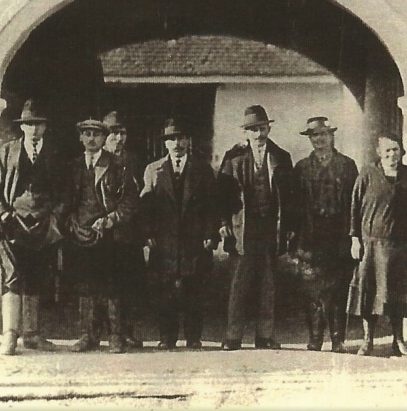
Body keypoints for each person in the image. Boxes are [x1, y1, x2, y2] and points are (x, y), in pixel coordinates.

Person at [0, 98, 65, 355]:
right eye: (29, 124)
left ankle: (32, 334)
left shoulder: (55, 153)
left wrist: (54, 217)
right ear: (22, 127)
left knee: (37, 278)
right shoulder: (8, 151)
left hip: (43, 225)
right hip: (13, 224)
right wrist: (2, 214)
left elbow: (66, 191)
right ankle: (9, 335)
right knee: (12, 278)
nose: (34, 129)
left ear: (45, 127)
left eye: (38, 124)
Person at [217, 105, 295, 351]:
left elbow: (291, 197)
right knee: (239, 285)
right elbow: (221, 195)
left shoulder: (281, 157)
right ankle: (233, 336)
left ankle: (264, 335)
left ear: (269, 128)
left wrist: (290, 226)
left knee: (268, 284)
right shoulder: (234, 158)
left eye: (262, 128)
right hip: (243, 231)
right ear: (246, 133)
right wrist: (223, 224)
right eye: (253, 130)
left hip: (270, 229)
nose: (258, 134)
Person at [139, 119, 220, 350]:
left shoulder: (202, 169)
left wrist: (210, 235)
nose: (177, 143)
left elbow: (212, 207)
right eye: (172, 139)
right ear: (165, 143)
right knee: (165, 292)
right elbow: (146, 206)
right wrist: (148, 233)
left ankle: (194, 337)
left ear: (189, 141)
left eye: (182, 138)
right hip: (164, 241)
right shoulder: (153, 170)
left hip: (194, 240)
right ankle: (167, 337)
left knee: (193, 289)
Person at [62, 117, 139, 353]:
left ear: (104, 138)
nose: (91, 138)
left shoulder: (117, 165)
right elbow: (64, 202)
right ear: (80, 138)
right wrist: (70, 223)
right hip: (80, 235)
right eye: (87, 134)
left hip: (109, 236)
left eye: (96, 134)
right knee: (85, 287)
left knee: (111, 286)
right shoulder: (72, 167)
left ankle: (115, 336)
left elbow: (129, 201)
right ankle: (87, 335)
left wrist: (110, 220)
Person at [348, 133, 407, 358]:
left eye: (396, 150)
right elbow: (354, 206)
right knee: (370, 295)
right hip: (372, 245)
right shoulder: (368, 174)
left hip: (400, 246)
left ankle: (398, 340)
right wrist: (354, 238)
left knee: (398, 296)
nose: (392, 155)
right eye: (387, 151)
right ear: (379, 152)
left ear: (402, 152)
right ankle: (367, 340)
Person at [291, 116, 358, 352]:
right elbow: (293, 207)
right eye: (313, 136)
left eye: (322, 134)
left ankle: (338, 339)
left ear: (332, 136)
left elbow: (354, 203)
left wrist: (354, 237)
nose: (318, 139)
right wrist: (293, 240)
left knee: (339, 289)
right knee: (312, 290)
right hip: (310, 238)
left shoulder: (347, 166)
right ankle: (315, 338)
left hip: (339, 238)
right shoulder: (301, 168)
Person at [102, 110, 146, 348]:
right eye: (113, 133)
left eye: (122, 133)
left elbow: (142, 196)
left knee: (129, 283)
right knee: (100, 283)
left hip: (128, 233)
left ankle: (125, 330)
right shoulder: (96, 160)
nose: (118, 139)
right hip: (101, 233)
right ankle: (99, 332)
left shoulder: (135, 161)